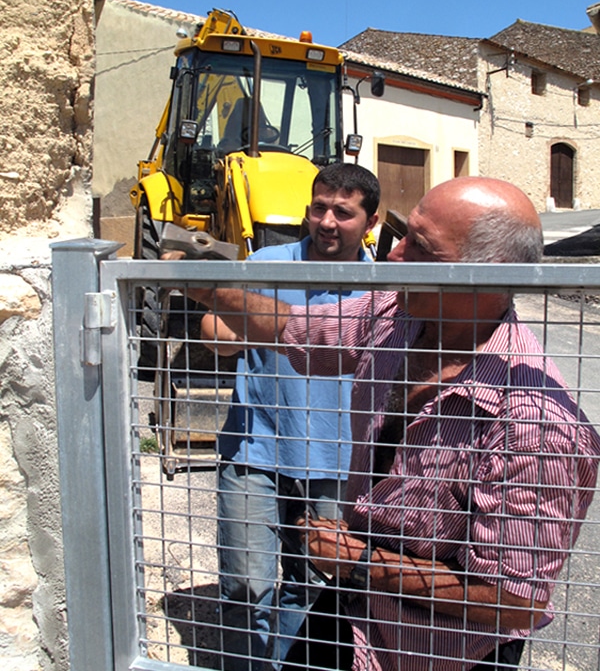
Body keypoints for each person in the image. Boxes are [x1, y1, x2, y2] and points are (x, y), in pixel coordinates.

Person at [173, 176, 600, 671]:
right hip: (354, 612)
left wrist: (357, 560)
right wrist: (207, 287)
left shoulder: (537, 426)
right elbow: (298, 327)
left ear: (486, 274)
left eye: (421, 247)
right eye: (404, 234)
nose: (394, 255)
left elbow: (513, 600)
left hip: (437, 654)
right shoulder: (396, 313)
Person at [199, 163, 380, 670]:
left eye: (343, 213)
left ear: (370, 222)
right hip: (255, 450)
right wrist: (230, 333)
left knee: (314, 587)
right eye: (319, 208)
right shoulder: (267, 262)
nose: (327, 222)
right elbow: (215, 326)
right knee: (245, 587)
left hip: (338, 462)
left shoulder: (383, 283)